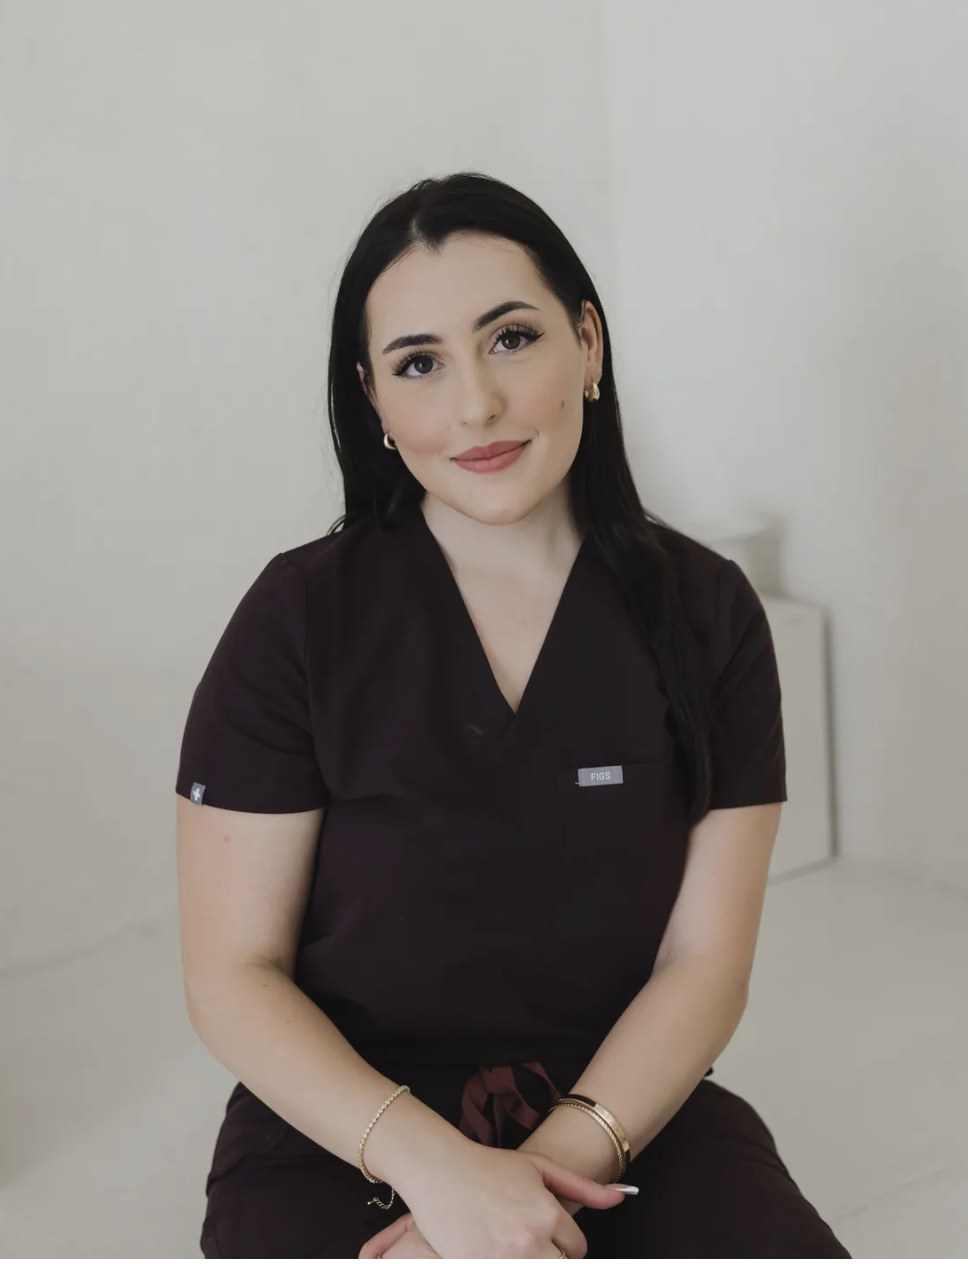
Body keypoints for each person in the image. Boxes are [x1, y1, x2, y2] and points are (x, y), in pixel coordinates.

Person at [175, 171, 851, 1259]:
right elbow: (229, 973)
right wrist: (435, 1174)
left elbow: (702, 965)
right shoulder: (297, 619)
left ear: (586, 344)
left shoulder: (709, 613)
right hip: (345, 1122)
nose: (474, 407)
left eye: (510, 339)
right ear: (373, 400)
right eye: (419, 364)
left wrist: (543, 1179)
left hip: (620, 1106)